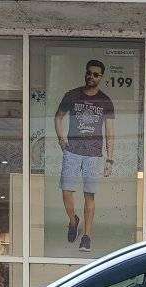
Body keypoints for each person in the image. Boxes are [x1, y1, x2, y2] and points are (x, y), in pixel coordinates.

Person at [54, 59, 115, 252]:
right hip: (72, 150)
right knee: (66, 190)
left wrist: (110, 159)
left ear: (101, 77)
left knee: (90, 194)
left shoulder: (105, 101)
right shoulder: (72, 95)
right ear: (85, 73)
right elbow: (58, 117)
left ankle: (87, 236)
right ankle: (73, 221)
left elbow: (110, 131)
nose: (91, 76)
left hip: (94, 154)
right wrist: (61, 139)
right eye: (89, 72)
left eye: (96, 74)